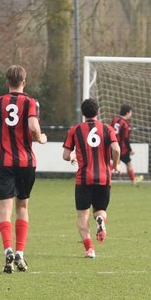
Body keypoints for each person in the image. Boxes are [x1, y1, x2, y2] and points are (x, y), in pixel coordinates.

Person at [0, 65, 47, 273]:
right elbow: (33, 127)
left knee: (4, 210)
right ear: (24, 82)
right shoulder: (30, 102)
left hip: (4, 163)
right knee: (22, 207)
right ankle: (20, 253)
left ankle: (7, 249)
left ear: (7, 82)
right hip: (26, 163)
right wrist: (40, 138)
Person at [63, 98, 120, 259]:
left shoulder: (75, 130)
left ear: (83, 113)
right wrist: (115, 165)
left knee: (83, 215)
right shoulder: (107, 129)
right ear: (98, 112)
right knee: (100, 210)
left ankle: (89, 249)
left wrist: (72, 156)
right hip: (104, 178)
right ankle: (100, 219)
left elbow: (65, 155)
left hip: (84, 179)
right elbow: (116, 149)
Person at [110, 105, 143, 185]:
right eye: (131, 112)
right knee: (128, 163)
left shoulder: (114, 119)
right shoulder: (125, 124)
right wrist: (130, 149)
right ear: (127, 113)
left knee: (114, 163)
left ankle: (106, 179)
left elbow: (110, 130)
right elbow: (125, 139)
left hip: (113, 146)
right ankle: (133, 180)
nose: (131, 114)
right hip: (122, 149)